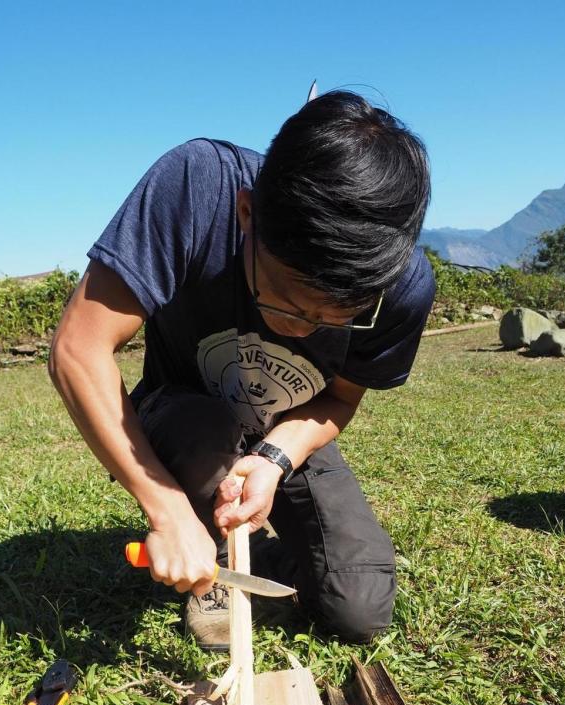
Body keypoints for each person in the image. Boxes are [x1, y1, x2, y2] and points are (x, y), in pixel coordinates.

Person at [49, 89, 435, 651]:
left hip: (282, 424)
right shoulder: (197, 187)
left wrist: (276, 457)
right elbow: (77, 350)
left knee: (358, 608)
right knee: (207, 432)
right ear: (247, 213)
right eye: (287, 300)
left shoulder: (400, 284)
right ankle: (209, 548)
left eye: (336, 315)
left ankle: (257, 552)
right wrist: (167, 510)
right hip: (185, 414)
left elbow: (341, 398)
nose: (303, 329)